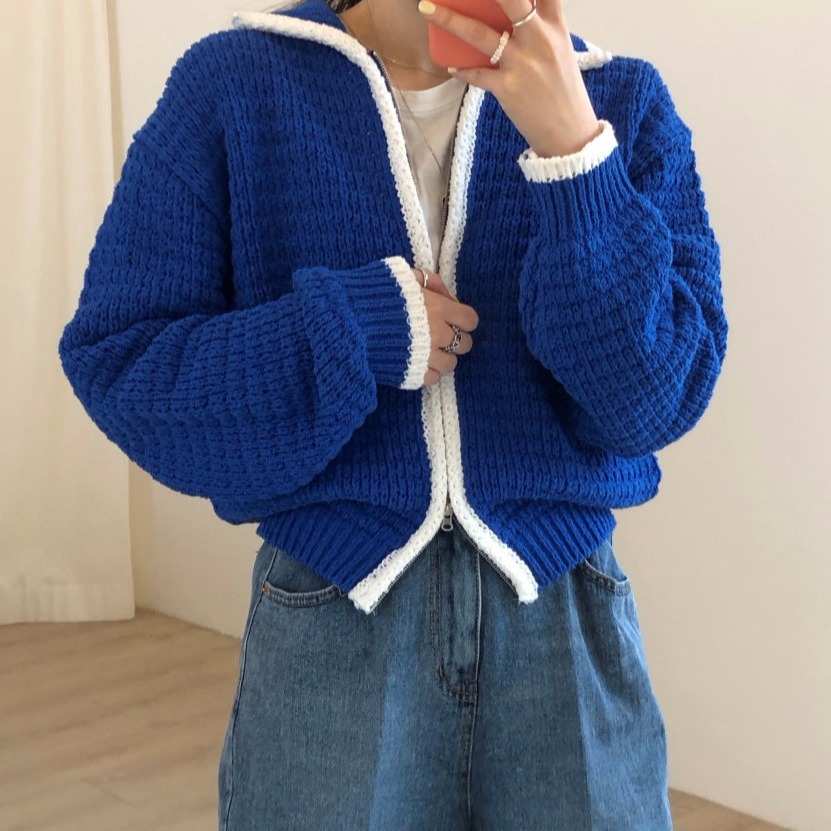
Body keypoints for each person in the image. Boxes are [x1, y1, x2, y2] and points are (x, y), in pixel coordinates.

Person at [57, 0, 728, 827]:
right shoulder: (232, 85)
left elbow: (656, 399)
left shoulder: (619, 99)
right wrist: (352, 329)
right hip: (334, 608)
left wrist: (573, 154)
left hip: (562, 612)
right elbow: (124, 366)